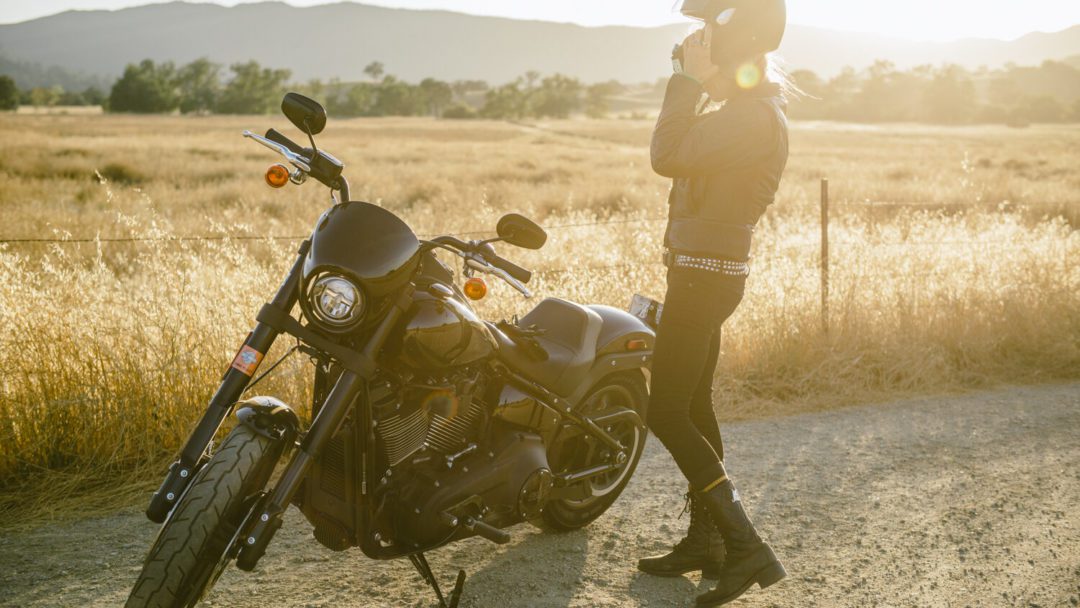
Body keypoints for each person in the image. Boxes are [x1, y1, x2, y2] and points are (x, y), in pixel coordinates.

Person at [635, 1, 790, 606]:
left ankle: (744, 544)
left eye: (701, 45)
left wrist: (684, 82)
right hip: (705, 275)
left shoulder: (750, 116)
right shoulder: (744, 112)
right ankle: (709, 541)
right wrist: (698, 81)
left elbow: (665, 155)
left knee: (665, 409)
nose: (690, 51)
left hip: (704, 280)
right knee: (693, 403)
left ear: (732, 52)